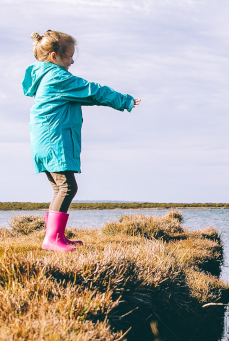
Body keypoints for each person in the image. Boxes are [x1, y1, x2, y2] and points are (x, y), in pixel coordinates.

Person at [23, 30, 141, 252]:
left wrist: (118, 102)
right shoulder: (58, 78)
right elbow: (92, 91)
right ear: (53, 57)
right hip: (54, 140)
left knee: (60, 188)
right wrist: (123, 100)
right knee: (67, 187)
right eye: (68, 55)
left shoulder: (46, 77)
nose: (72, 60)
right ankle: (51, 239)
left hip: (44, 141)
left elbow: (88, 97)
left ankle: (57, 236)